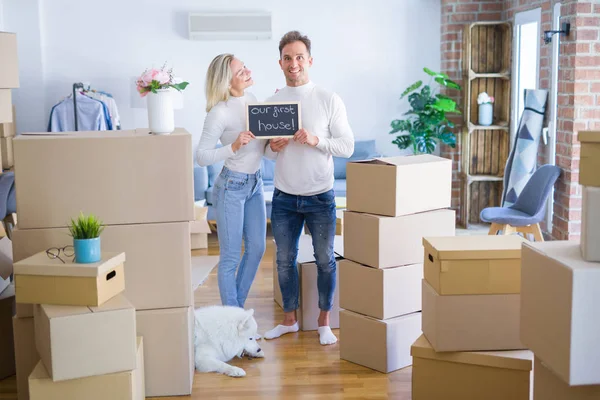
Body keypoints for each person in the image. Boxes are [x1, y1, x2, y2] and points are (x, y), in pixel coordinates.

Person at [263, 31, 354, 345]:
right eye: (287, 58)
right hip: (285, 196)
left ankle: (324, 321)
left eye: (299, 57)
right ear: (280, 63)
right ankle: (289, 320)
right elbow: (263, 151)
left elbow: (347, 146)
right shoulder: (273, 102)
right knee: (284, 261)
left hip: (320, 196)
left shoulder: (328, 99)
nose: (293, 63)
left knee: (325, 259)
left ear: (310, 61)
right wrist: (272, 146)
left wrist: (317, 140)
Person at [196, 54, 267, 311]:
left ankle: (233, 317)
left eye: (245, 66)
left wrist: (275, 143)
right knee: (230, 258)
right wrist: (233, 146)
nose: (248, 71)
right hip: (231, 187)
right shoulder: (219, 113)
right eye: (241, 71)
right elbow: (201, 156)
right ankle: (236, 322)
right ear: (227, 83)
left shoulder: (254, 101)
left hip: (255, 184)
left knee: (257, 248)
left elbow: (262, 149)